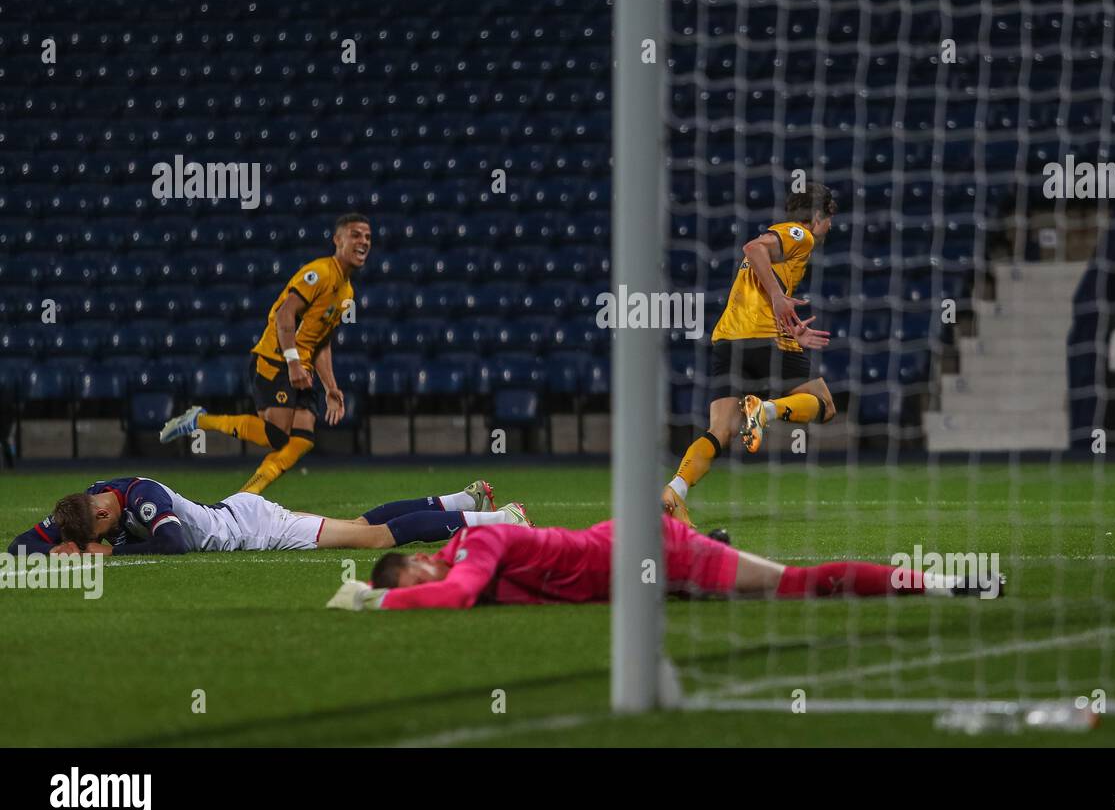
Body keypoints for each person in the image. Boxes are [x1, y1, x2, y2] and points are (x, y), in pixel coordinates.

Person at [326, 513, 1003, 611]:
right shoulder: (469, 553)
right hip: (623, 547)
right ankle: (710, 540)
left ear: (416, 568)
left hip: (654, 550)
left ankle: (944, 581)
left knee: (795, 586)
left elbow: (461, 594)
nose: (429, 580)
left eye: (417, 578)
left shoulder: (474, 551)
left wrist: (371, 598)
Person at [662, 182, 838, 526]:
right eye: (830, 218)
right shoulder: (800, 234)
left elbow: (762, 274)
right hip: (764, 337)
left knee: (721, 430)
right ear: (817, 216)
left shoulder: (791, 247)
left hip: (730, 338)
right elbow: (754, 247)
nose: (830, 226)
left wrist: (791, 324)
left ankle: (674, 490)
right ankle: (765, 410)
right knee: (826, 406)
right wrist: (776, 298)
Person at [159, 213, 370, 494]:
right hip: (276, 360)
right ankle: (199, 420)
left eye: (368, 237)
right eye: (356, 235)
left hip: (301, 367)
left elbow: (322, 342)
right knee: (277, 436)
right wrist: (293, 364)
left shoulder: (347, 292)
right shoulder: (319, 273)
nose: (363, 242)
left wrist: (331, 386)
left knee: (303, 438)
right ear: (337, 239)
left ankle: (249, 493)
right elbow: (285, 314)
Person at [8, 476, 528, 556]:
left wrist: (114, 553)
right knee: (362, 523)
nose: (103, 531)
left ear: (106, 511)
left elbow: (175, 546)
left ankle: (501, 520)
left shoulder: (143, 495)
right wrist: (35, 551)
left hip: (256, 527)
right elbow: (27, 542)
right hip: (241, 510)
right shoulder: (86, 506)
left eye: (101, 528)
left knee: (374, 540)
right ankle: (464, 502)